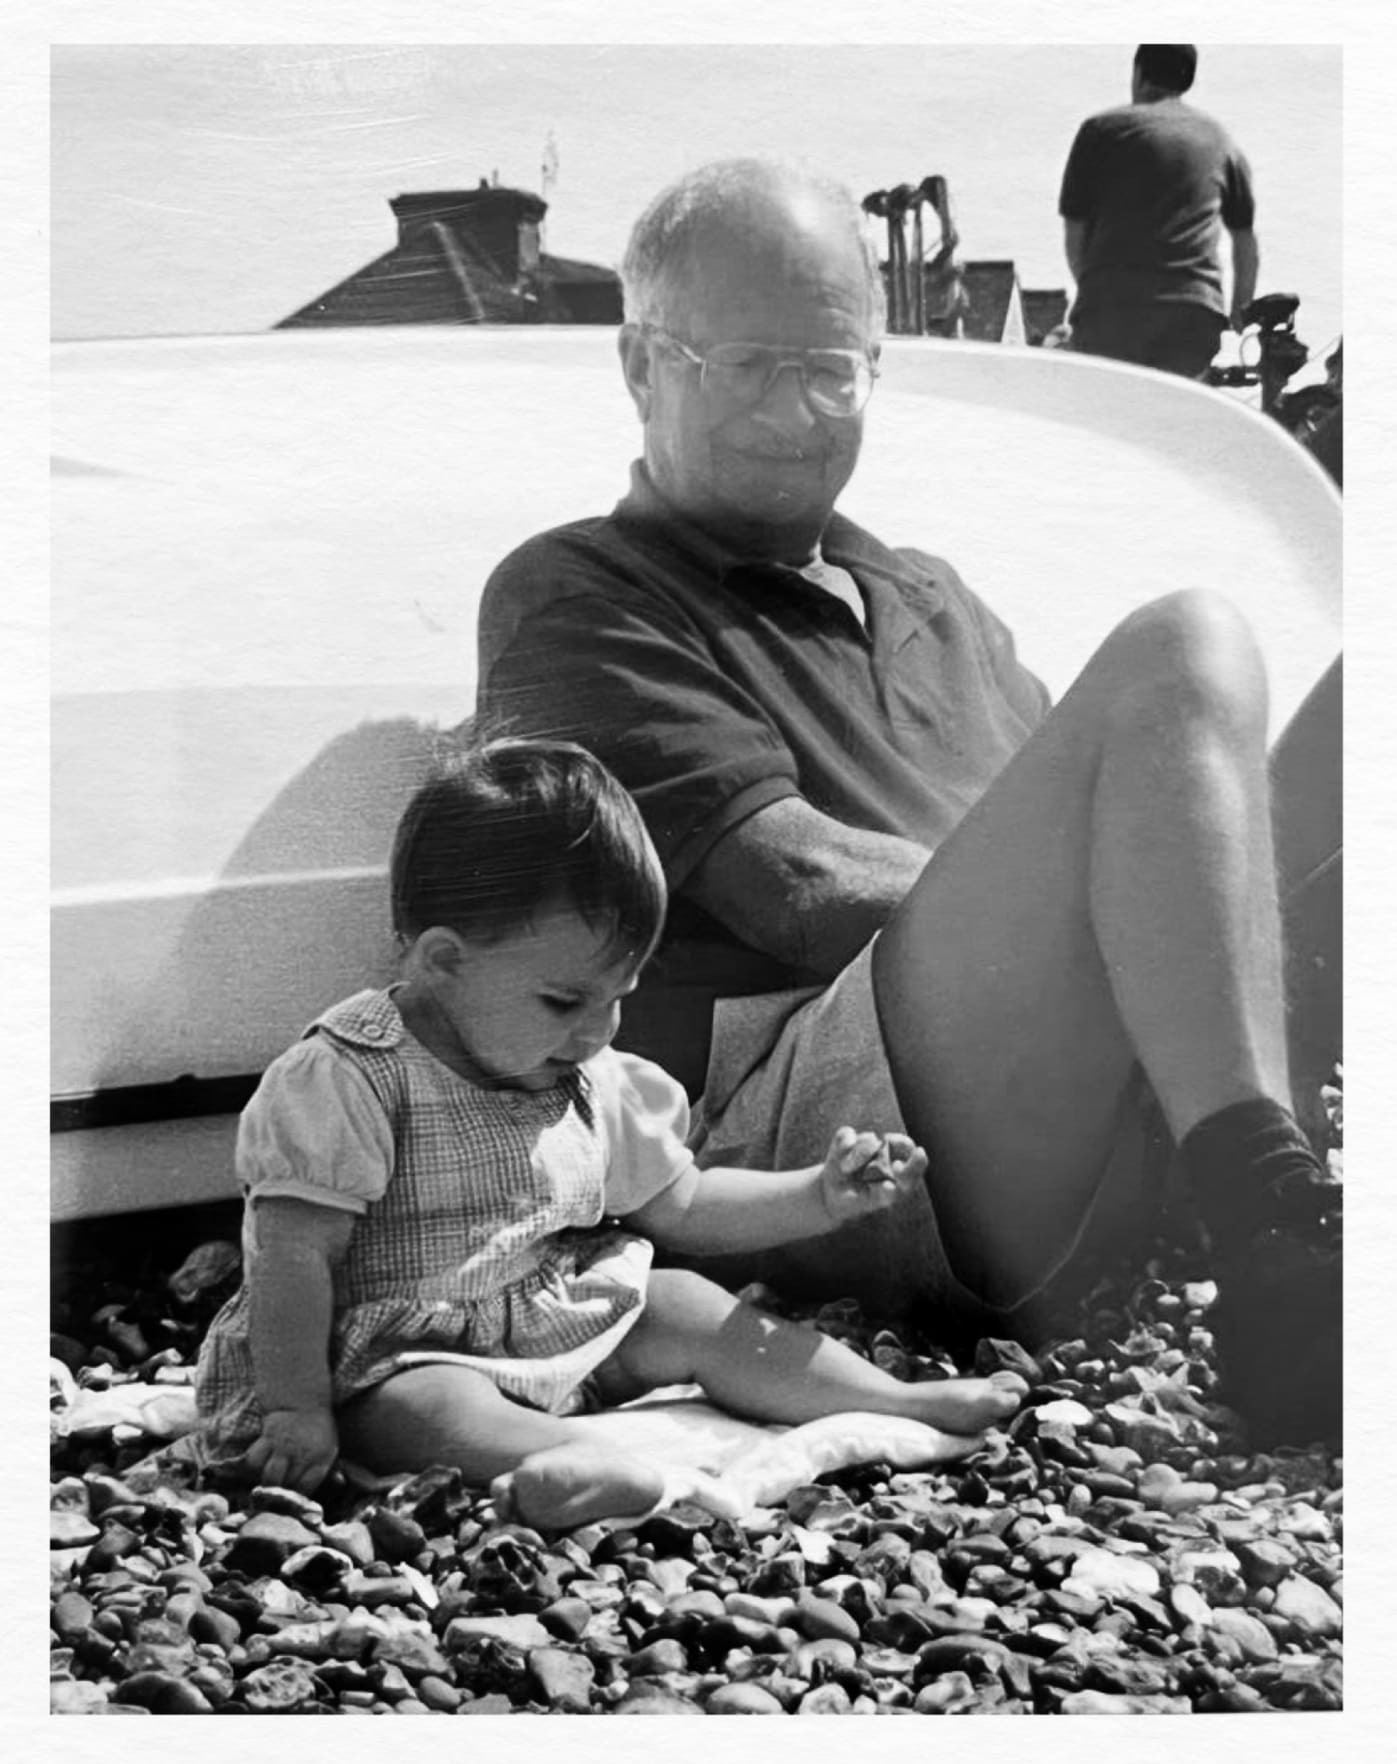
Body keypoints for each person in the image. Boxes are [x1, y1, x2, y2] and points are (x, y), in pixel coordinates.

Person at [475, 158, 1342, 1450]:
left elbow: (1142, 829)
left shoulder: (934, 596)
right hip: (810, 1137)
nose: (793, 410)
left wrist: (1185, 923)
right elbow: (800, 886)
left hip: (1065, 1087)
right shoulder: (581, 592)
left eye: (828, 368)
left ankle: (1253, 1173)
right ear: (641, 364)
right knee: (1190, 643)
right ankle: (1276, 1234)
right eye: (745, 364)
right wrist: (1160, 931)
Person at [192, 738, 1027, 1528]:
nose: (597, 1030)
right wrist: (295, 1407)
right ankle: (574, 1461)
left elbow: (686, 1203)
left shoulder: (591, 1074)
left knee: (684, 1302)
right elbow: (292, 1258)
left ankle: (891, 1403)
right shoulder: (352, 1078)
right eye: (565, 1001)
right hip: (393, 1354)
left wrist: (817, 1194)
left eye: (618, 995)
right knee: (432, 1410)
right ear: (442, 962)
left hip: (550, 1318)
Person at [1059, 44, 1259, 378]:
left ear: (1138, 74)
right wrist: (1240, 314)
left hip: (1111, 309)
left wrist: (1096, 289)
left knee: (1112, 419)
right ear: (1187, 81)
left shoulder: (1099, 130)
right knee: (1177, 421)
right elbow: (1245, 242)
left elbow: (1075, 232)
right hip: (1192, 311)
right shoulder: (1220, 139)